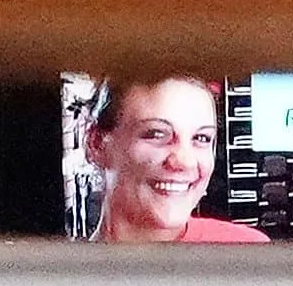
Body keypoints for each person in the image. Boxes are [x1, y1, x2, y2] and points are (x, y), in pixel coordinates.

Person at [82, 75, 271, 243]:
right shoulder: (67, 274)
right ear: (97, 145)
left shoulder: (247, 254)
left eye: (201, 138)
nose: (184, 161)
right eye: (157, 134)